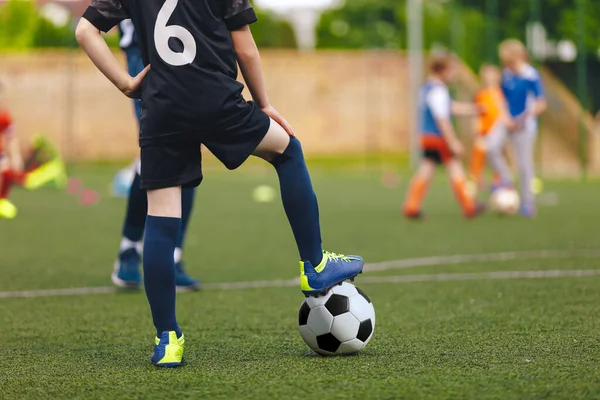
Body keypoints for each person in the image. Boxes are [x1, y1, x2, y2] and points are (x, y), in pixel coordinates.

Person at [76, 0, 364, 367]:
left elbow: (85, 30)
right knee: (288, 151)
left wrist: (126, 83)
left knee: (161, 219)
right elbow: (243, 44)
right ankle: (315, 264)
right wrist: (264, 103)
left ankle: (167, 340)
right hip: (215, 100)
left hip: (162, 107)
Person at [112, 19, 200, 291]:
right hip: (145, 44)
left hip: (189, 45)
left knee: (186, 149)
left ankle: (172, 257)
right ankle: (130, 248)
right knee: (155, 150)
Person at [403, 53, 483, 219]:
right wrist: (453, 141)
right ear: (443, 71)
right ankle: (469, 206)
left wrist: (473, 109)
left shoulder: (427, 88)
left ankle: (411, 206)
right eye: (453, 71)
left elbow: (449, 107)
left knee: (426, 169)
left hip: (427, 136)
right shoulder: (438, 90)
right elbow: (442, 118)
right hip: (439, 138)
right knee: (456, 168)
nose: (455, 75)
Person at [0, 82, 65, 219]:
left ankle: (2, 201)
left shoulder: (4, 116)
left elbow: (11, 137)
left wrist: (16, 156)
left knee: (6, 171)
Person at [499, 39, 547, 218]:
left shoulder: (531, 75)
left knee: (524, 164)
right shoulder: (506, 75)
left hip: (524, 126)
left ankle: (527, 203)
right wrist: (505, 118)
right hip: (506, 122)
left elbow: (541, 103)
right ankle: (506, 179)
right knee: (489, 146)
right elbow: (501, 99)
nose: (508, 64)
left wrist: (522, 119)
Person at [469, 64, 513, 191]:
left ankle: (499, 181)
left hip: (498, 131)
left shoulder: (500, 94)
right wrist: (477, 131)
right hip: (485, 131)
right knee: (480, 155)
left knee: (498, 155)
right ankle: (476, 180)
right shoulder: (481, 94)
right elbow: (477, 114)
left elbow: (503, 112)